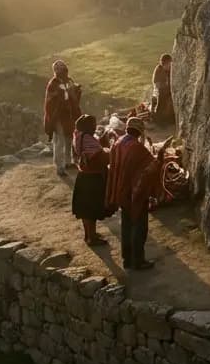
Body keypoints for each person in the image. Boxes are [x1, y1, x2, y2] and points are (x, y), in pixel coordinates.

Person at [105, 116, 171, 271]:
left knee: (126, 225)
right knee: (139, 226)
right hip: (135, 193)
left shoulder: (118, 143)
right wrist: (161, 153)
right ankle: (138, 260)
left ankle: (127, 259)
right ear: (139, 131)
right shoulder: (137, 148)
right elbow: (150, 168)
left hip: (121, 191)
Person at [71, 114, 109, 246]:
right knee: (91, 210)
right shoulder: (87, 139)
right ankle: (91, 238)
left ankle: (88, 234)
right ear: (87, 127)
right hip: (92, 178)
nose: (95, 127)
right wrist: (110, 151)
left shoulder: (78, 136)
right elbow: (100, 157)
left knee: (85, 210)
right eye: (93, 125)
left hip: (83, 177)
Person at [44, 59, 82, 176]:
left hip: (68, 115)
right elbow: (49, 102)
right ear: (57, 72)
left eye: (65, 70)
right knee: (59, 141)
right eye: (62, 71)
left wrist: (76, 90)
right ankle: (59, 167)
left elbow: (73, 97)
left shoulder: (68, 81)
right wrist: (60, 98)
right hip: (58, 116)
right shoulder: (53, 84)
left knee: (69, 138)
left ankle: (68, 162)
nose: (65, 73)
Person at [152, 54, 174, 126]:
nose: (170, 66)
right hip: (160, 90)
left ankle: (170, 118)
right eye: (168, 64)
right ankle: (159, 120)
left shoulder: (170, 70)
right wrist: (165, 87)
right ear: (163, 64)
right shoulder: (159, 70)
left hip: (168, 90)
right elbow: (157, 83)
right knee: (161, 100)